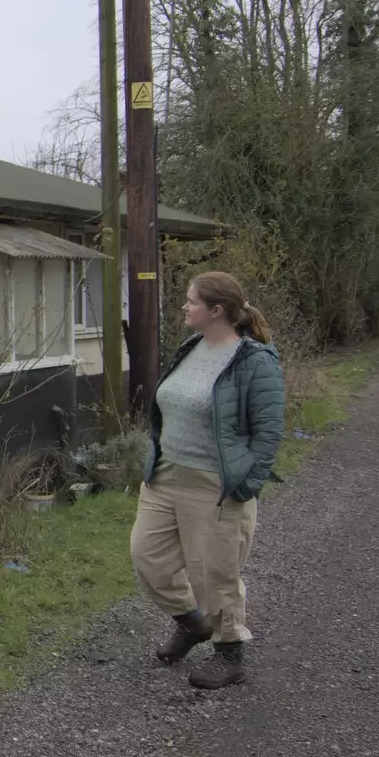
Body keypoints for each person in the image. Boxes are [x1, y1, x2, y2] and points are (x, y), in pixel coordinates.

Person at [130, 272, 285, 690]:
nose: (184, 306)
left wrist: (245, 484)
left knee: (215, 573)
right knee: (148, 558)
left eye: (190, 301)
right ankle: (191, 623)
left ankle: (230, 652)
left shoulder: (254, 360)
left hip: (215, 484)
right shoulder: (191, 347)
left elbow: (269, 431)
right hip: (164, 475)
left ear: (216, 310)